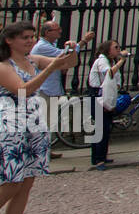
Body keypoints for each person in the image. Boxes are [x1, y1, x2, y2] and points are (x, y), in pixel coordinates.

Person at [1, 21, 77, 214]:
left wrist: (72, 50)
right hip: (11, 126)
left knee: (26, 182)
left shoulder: (32, 60)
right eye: (25, 37)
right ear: (9, 40)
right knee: (12, 182)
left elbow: (68, 64)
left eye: (32, 36)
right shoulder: (4, 66)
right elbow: (23, 90)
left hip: (33, 125)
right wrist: (49, 68)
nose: (30, 41)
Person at [29, 20, 94, 160]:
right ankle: (40, 151)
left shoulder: (49, 45)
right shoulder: (41, 47)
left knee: (49, 122)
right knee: (44, 122)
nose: (60, 31)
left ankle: (46, 149)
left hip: (52, 88)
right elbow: (65, 56)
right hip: (45, 89)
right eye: (56, 29)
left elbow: (63, 61)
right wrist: (83, 41)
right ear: (47, 32)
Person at [88, 40, 130, 170]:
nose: (118, 49)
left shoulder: (111, 62)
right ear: (107, 50)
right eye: (115, 47)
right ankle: (98, 160)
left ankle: (101, 156)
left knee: (106, 128)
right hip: (97, 97)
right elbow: (109, 73)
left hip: (106, 97)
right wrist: (122, 60)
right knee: (101, 128)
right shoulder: (101, 61)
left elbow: (116, 80)